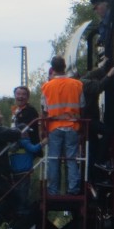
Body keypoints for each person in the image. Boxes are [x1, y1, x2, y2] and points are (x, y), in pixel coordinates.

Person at [41, 55, 85, 195]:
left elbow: (45, 110)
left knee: (53, 159)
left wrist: (43, 129)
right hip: (73, 126)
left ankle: (53, 190)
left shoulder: (47, 87)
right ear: (65, 67)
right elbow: (82, 106)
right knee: (71, 159)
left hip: (54, 127)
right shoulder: (77, 84)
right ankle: (73, 189)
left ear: (53, 68)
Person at [10, 84, 41, 216]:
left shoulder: (30, 111)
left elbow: (25, 130)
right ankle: (18, 206)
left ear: (27, 97)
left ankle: (21, 207)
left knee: (23, 179)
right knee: (18, 179)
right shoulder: (15, 111)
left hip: (25, 149)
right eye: (18, 94)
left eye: (23, 94)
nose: (20, 97)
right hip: (17, 151)